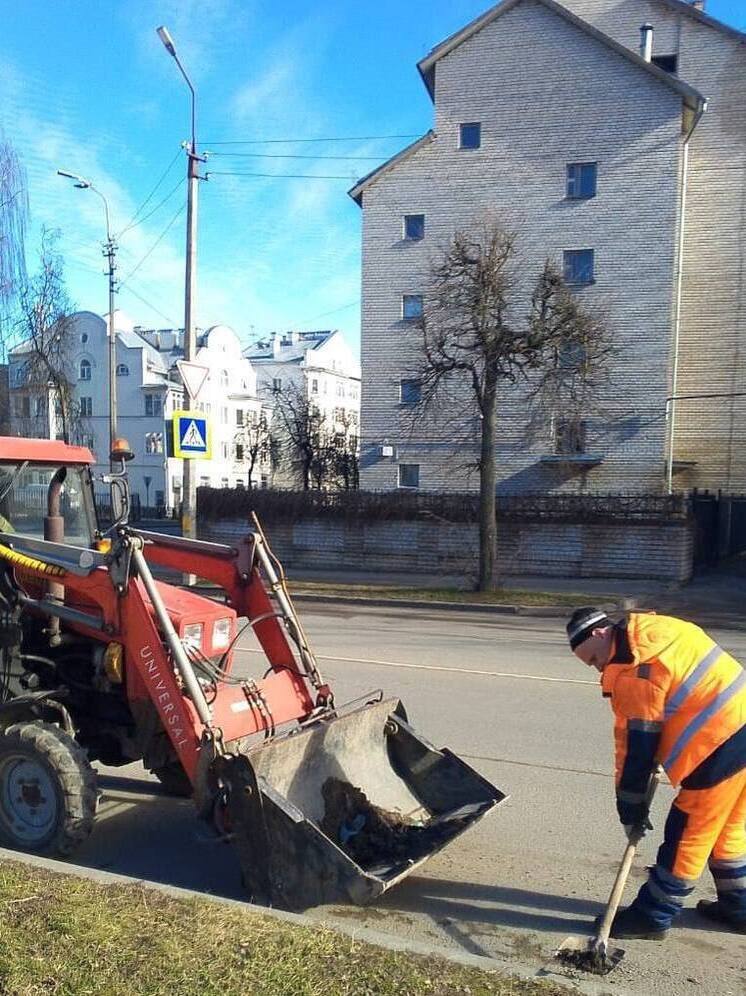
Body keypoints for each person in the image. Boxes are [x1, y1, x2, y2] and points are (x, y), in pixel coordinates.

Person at [566, 607, 746, 940]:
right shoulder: (661, 629)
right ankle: (740, 908)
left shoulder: (635, 670)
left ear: (600, 634)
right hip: (741, 725)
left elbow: (637, 749)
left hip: (719, 746)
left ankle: (653, 916)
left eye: (593, 660)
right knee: (728, 830)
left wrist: (630, 807)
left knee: (687, 835)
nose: (599, 668)